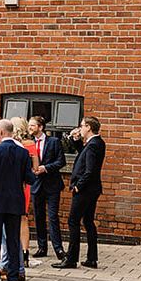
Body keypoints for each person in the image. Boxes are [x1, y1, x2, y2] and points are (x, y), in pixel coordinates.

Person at [0, 119, 36, 281]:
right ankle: (12, 277)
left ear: (2, 133)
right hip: (15, 201)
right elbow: (30, 178)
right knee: (13, 239)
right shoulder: (23, 153)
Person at [53, 116, 105, 271]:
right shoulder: (96, 143)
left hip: (85, 190)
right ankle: (91, 258)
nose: (80, 128)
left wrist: (78, 186)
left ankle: (71, 258)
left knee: (73, 221)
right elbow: (83, 154)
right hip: (93, 189)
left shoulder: (93, 145)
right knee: (88, 222)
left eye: (82, 126)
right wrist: (76, 140)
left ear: (88, 127)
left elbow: (90, 170)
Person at [29, 115, 66, 260]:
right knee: (38, 217)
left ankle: (59, 249)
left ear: (40, 127)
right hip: (36, 185)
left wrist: (45, 168)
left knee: (53, 217)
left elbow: (61, 161)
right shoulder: (29, 143)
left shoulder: (54, 142)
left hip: (52, 184)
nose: (30, 128)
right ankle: (42, 247)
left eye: (32, 125)